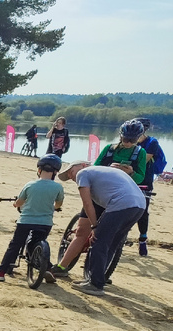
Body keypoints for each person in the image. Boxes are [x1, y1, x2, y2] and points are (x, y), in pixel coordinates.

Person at [55, 119, 149, 277]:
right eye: (125, 139)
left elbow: (141, 177)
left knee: (109, 238)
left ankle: (97, 275)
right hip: (99, 192)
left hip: (119, 197)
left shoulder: (140, 153)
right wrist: (110, 169)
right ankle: (62, 266)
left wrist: (131, 172)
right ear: (120, 136)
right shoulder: (109, 149)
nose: (128, 143)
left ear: (138, 138)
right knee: (82, 231)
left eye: (132, 140)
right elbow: (96, 167)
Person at [54, 161, 147, 296]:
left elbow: (87, 203)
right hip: (140, 205)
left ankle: (95, 285)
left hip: (122, 204)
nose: (70, 176)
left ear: (83, 165)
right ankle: (97, 279)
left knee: (99, 242)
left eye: (71, 172)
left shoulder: (83, 173)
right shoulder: (105, 172)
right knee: (111, 245)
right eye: (68, 176)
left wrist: (94, 226)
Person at [0, 154, 64, 282]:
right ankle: (46, 268)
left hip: (25, 221)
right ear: (55, 172)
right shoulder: (58, 187)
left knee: (15, 245)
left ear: (39, 170)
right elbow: (58, 204)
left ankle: (1, 273)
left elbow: (19, 202)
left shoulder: (30, 185)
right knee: (37, 242)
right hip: (45, 223)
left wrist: (16, 204)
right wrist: (54, 207)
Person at [135, 118, 166, 256]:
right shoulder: (128, 140)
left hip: (144, 181)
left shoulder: (152, 142)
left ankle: (142, 240)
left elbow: (143, 160)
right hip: (128, 179)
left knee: (143, 211)